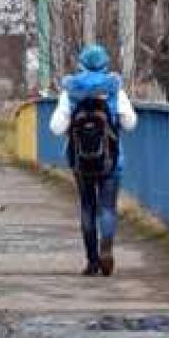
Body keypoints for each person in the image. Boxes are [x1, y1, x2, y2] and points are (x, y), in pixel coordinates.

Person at [50, 44, 137, 276]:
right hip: (111, 159)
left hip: (80, 162)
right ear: (105, 64)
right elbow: (130, 123)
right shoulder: (115, 90)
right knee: (107, 207)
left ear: (81, 64)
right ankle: (106, 248)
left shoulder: (70, 91)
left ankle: (92, 261)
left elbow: (56, 128)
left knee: (88, 207)